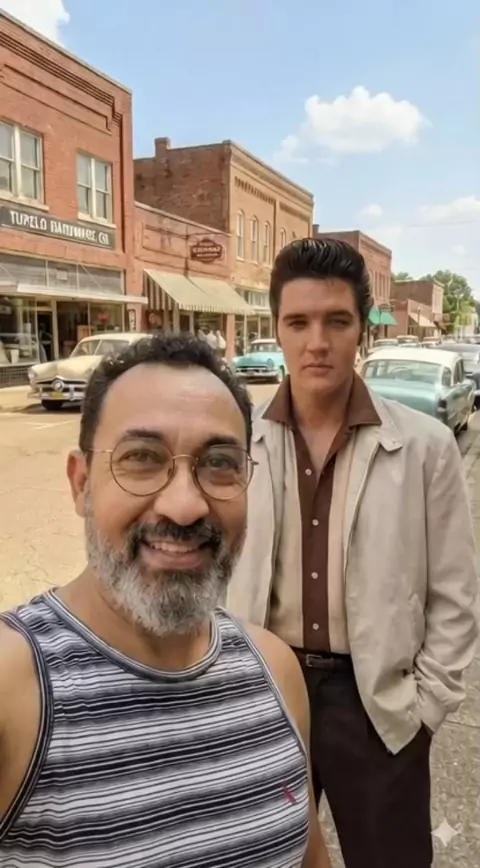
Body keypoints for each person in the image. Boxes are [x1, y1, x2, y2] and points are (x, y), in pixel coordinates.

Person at [0, 332, 330, 868]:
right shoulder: (15, 692)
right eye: (141, 458)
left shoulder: (274, 671)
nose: (183, 506)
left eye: (219, 462)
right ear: (81, 484)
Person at [227, 238, 479, 868]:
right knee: (262, 857)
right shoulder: (234, 442)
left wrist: (426, 708)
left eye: (336, 321)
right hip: (264, 689)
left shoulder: (424, 446)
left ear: (362, 329)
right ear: (277, 330)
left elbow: (456, 593)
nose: (317, 341)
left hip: (377, 701)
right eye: (298, 322)